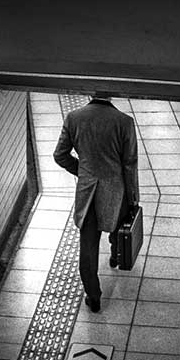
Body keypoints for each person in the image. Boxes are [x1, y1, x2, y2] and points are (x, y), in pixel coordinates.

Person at [53, 90, 140, 312]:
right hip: (116, 190)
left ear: (90, 93)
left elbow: (59, 155)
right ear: (113, 95)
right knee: (116, 229)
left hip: (88, 192)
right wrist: (133, 197)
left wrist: (83, 171)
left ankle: (94, 296)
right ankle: (114, 256)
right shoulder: (125, 122)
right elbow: (129, 164)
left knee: (88, 248)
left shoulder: (74, 117)